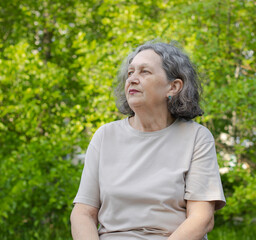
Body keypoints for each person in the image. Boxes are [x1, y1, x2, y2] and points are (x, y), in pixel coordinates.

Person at [70, 41, 226, 240]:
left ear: (173, 86)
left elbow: (202, 218)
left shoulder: (197, 138)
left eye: (144, 72)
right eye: (130, 72)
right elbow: (83, 212)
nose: (132, 79)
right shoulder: (105, 136)